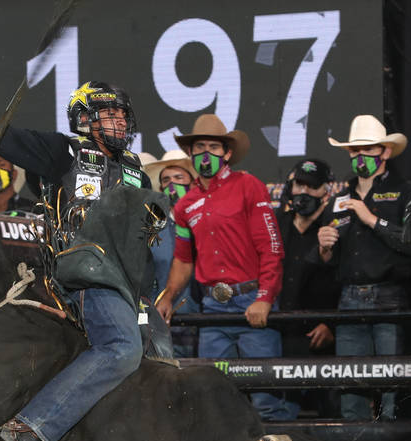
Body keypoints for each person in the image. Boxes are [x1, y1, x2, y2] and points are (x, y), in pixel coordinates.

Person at [0, 30, 155, 441]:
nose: (117, 119)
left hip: (131, 287)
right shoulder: (61, 151)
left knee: (159, 365)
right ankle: (31, 428)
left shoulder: (136, 169)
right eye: (106, 112)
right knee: (120, 349)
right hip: (85, 276)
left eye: (120, 112)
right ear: (84, 118)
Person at [154, 114, 293, 421]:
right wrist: (168, 295)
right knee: (213, 401)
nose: (206, 153)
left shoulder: (249, 186)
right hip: (213, 308)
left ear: (227, 153)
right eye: (199, 146)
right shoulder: (184, 205)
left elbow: (270, 246)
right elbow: (183, 259)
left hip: (250, 300)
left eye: (213, 146)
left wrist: (265, 296)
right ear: (191, 153)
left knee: (266, 400)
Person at [317, 114, 411, 423]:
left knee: (392, 393)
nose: (361, 156)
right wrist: (324, 246)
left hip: (391, 297)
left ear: (385, 152)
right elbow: (329, 263)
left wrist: (371, 218)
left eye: (368, 149)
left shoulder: (407, 192)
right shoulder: (338, 199)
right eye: (354, 150)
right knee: (351, 390)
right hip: (348, 299)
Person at [275, 158, 340, 417]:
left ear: (326, 190)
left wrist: (332, 324)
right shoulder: (276, 222)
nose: (304, 192)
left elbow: (347, 275)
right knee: (281, 409)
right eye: (299, 185)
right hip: (281, 331)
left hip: (321, 334)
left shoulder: (337, 224)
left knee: (331, 410)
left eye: (312, 186)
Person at [142, 149, 199, 357]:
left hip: (207, 320)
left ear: (193, 182)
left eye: (178, 177)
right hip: (166, 321)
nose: (172, 184)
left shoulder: (206, 222)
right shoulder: (153, 229)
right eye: (166, 179)